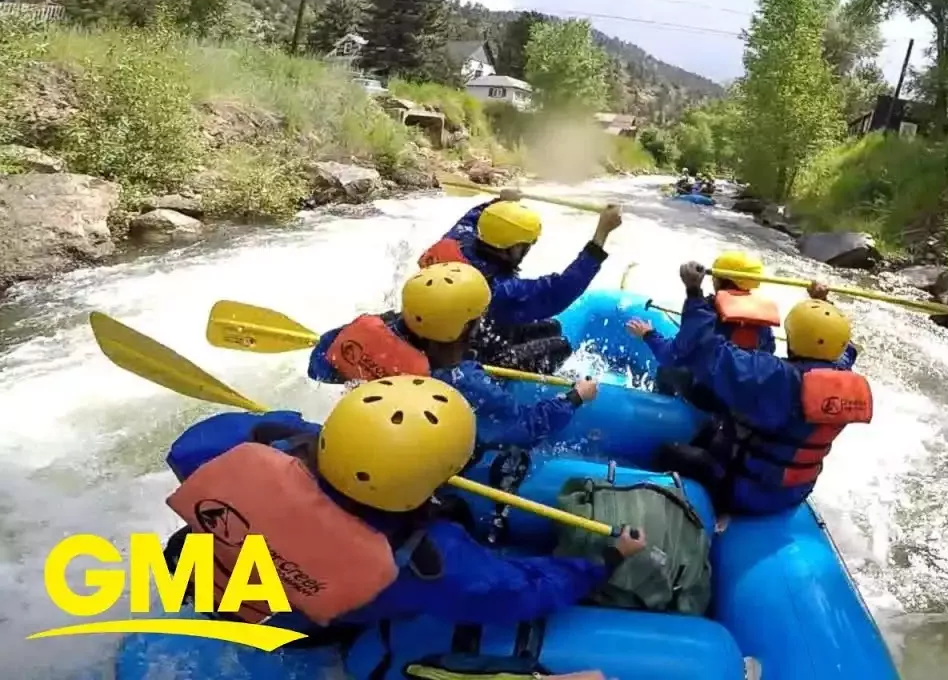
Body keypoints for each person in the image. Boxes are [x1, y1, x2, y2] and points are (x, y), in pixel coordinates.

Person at [161, 376, 647, 649]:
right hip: (282, 625)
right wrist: (605, 560)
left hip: (192, 573)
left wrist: (292, 433)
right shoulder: (426, 559)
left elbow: (187, 450)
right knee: (459, 517)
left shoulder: (257, 444)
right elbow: (516, 593)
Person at [648, 261, 874, 518]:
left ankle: (696, 514)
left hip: (744, 489)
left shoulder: (774, 377)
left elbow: (705, 349)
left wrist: (693, 292)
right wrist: (823, 304)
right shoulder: (844, 374)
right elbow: (846, 347)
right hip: (795, 490)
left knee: (667, 452)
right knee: (712, 428)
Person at [307, 262, 598, 453]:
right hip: (412, 456)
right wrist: (574, 397)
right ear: (465, 327)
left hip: (354, 431)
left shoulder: (367, 330)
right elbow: (524, 428)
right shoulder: (461, 380)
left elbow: (318, 368)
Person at [417, 192, 624, 374]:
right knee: (560, 346)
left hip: (446, 331)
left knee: (551, 327)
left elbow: (472, 218)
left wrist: (499, 203)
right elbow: (560, 290)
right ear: (512, 248)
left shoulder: (458, 239)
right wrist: (601, 234)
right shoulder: (496, 289)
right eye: (525, 246)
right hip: (467, 354)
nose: (528, 250)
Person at [624, 251, 780, 412]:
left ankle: (662, 414)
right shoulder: (762, 322)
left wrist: (648, 334)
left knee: (667, 369)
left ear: (717, 280)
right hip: (744, 400)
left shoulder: (706, 312)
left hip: (708, 397)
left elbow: (671, 355)